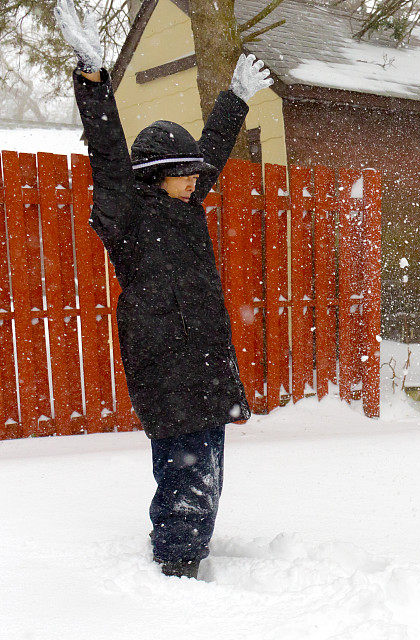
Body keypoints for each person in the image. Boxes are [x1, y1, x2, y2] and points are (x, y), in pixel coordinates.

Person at [55, 0, 274, 578]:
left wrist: (234, 100)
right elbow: (106, 153)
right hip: (165, 360)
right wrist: (94, 80)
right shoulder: (128, 212)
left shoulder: (185, 207)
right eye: (186, 172)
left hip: (203, 358)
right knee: (182, 467)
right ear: (157, 172)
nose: (198, 179)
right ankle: (177, 566)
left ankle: (189, 547)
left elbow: (214, 150)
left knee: (208, 465)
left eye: (197, 173)